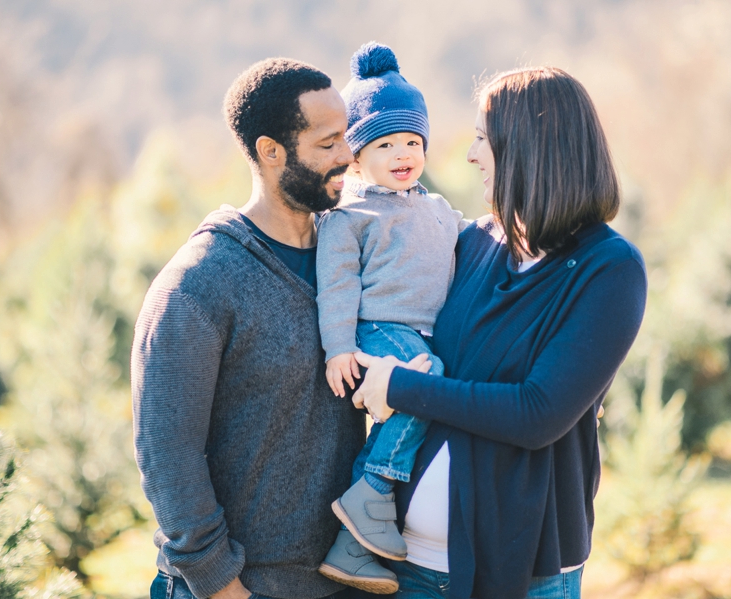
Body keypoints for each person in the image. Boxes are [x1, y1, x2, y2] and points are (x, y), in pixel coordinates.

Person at [351, 67, 648, 599]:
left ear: (529, 148)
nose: (469, 155)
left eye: (482, 139)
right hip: (404, 567)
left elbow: (537, 414)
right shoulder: (472, 244)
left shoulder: (609, 269)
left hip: (524, 574)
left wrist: (399, 387)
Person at [131, 57, 396, 599]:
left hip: (339, 580)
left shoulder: (348, 260)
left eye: (347, 136)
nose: (348, 155)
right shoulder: (199, 282)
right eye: (327, 143)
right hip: (244, 587)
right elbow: (167, 455)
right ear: (271, 151)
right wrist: (222, 586)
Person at [314, 43, 465, 594]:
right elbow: (335, 287)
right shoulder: (348, 217)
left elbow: (476, 239)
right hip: (376, 329)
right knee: (427, 381)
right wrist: (337, 349)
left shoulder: (437, 208)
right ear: (356, 156)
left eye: (412, 142)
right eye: (384, 144)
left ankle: (351, 548)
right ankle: (374, 487)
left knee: (418, 394)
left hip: (421, 335)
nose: (402, 153)